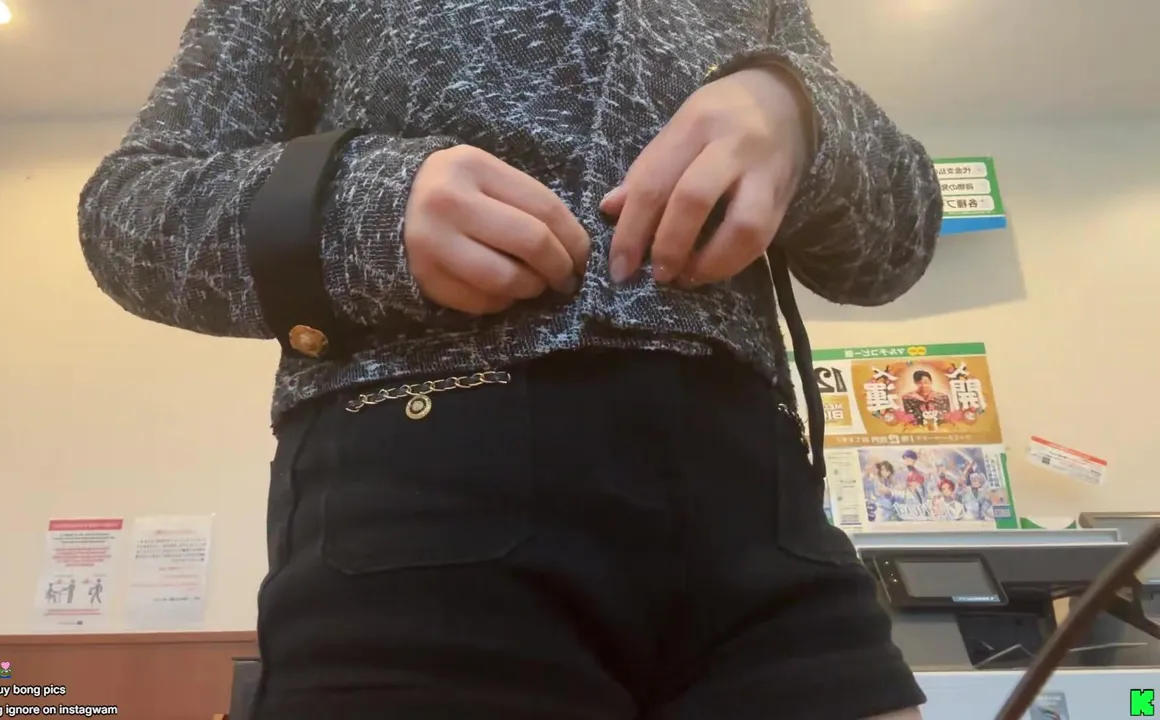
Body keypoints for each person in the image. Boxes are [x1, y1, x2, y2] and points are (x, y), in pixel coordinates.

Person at [77, 0, 942, 717]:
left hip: (758, 510)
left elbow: (895, 246)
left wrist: (797, 113)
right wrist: (366, 207)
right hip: (424, 509)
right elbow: (127, 207)